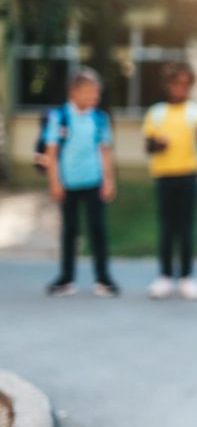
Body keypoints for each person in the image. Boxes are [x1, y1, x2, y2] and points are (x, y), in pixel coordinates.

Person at [44, 67, 120, 297]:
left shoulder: (99, 119)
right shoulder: (60, 117)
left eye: (96, 94)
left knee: (98, 229)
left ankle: (103, 278)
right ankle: (67, 278)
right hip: (68, 183)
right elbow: (52, 153)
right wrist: (54, 182)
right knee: (70, 230)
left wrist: (109, 180)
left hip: (93, 181)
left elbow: (105, 152)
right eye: (88, 93)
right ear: (73, 92)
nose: (93, 98)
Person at [142, 62, 197, 300]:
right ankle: (164, 276)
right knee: (166, 226)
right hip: (164, 174)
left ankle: (186, 277)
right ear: (168, 85)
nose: (180, 88)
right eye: (176, 83)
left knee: (186, 227)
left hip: (189, 173)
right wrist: (157, 144)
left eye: (185, 83)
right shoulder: (156, 113)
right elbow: (148, 147)